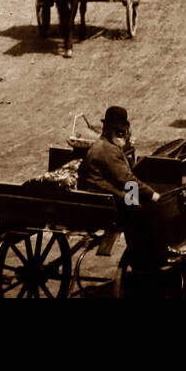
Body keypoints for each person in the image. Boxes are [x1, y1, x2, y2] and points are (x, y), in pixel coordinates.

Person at [77, 107, 163, 269]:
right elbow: (127, 180)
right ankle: (151, 259)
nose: (123, 135)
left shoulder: (101, 145)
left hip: (99, 196)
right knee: (153, 212)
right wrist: (152, 194)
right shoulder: (108, 151)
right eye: (120, 132)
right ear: (111, 131)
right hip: (111, 204)